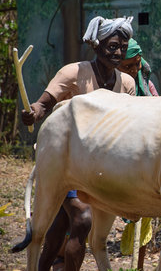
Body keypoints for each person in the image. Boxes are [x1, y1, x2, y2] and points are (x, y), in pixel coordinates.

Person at [21, 15, 136, 271]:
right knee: (83, 220)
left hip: (100, 169)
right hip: (64, 162)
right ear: (96, 45)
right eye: (112, 46)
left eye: (123, 48)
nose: (118, 52)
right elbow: (44, 104)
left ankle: (42, 267)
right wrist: (34, 113)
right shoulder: (74, 73)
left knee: (61, 223)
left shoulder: (127, 84)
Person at [117, 38, 158, 270]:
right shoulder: (112, 84)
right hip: (116, 155)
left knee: (143, 213)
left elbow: (156, 104)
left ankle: (139, 266)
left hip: (142, 155)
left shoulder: (144, 81)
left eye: (136, 64)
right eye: (127, 67)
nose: (133, 70)